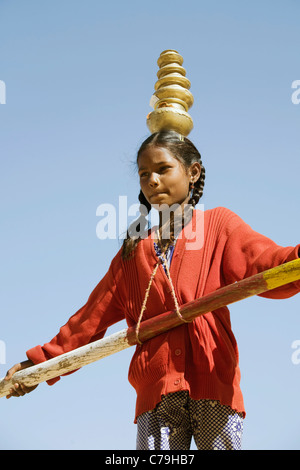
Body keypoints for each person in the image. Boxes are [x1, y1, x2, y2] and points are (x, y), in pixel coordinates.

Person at [5, 130, 300, 450]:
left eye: (162, 169)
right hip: (155, 394)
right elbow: (87, 322)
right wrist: (36, 366)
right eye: (144, 174)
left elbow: (269, 265)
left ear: (193, 172)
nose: (152, 180)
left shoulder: (219, 225)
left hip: (214, 382)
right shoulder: (132, 252)